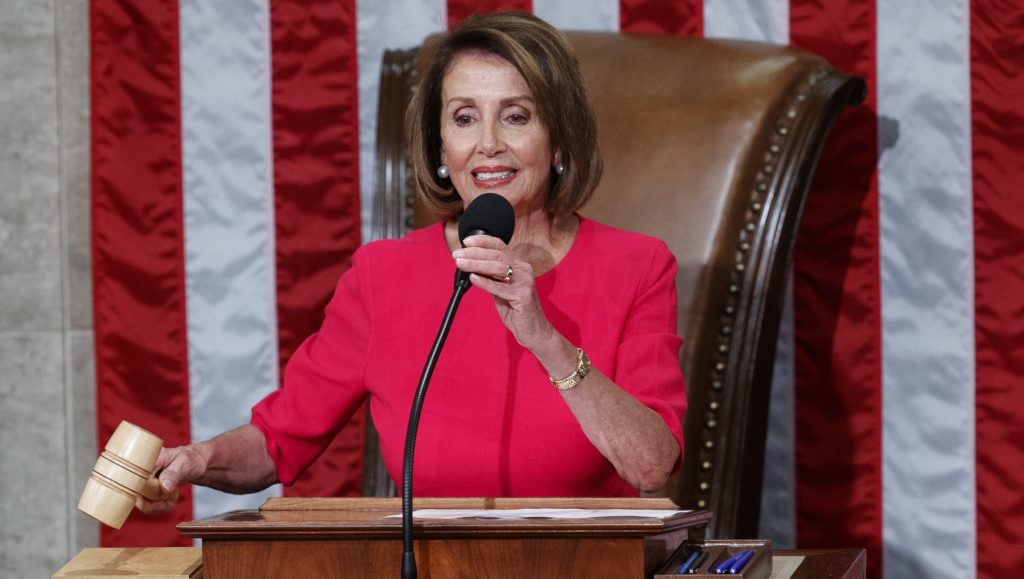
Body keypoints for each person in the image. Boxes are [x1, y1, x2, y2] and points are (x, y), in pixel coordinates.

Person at [139, 11, 685, 514]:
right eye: (465, 119)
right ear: (441, 147)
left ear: (560, 140)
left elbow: (651, 465)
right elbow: (279, 440)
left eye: (516, 117)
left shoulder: (636, 266)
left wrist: (546, 340)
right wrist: (198, 459)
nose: (488, 144)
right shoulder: (382, 277)